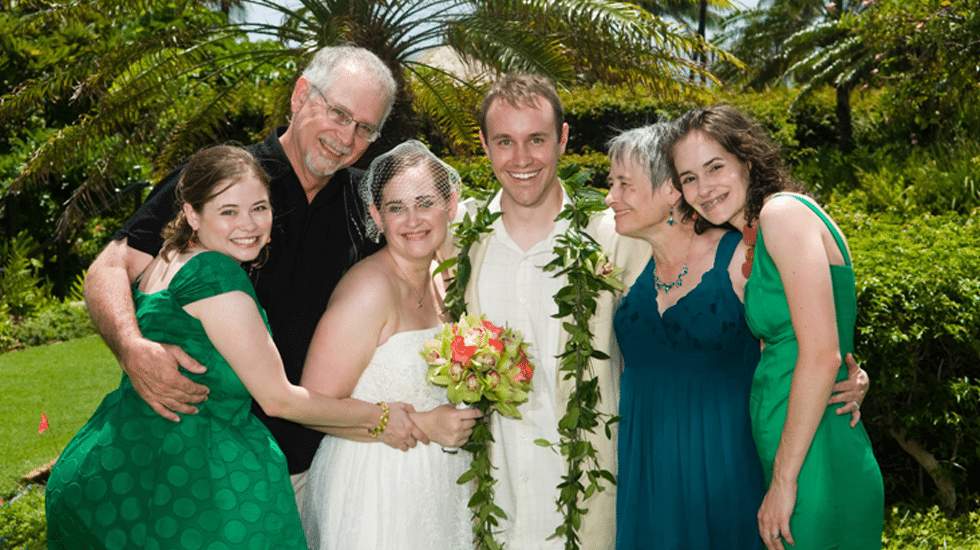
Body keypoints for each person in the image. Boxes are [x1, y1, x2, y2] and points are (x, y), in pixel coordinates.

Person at [81, 46, 424, 505]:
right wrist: (130, 346)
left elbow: (420, 253)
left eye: (365, 128)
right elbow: (112, 263)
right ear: (301, 96)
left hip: (314, 463)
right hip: (200, 463)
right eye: (339, 114)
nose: (346, 138)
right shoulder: (226, 179)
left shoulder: (364, 202)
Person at [46, 145, 419, 549]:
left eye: (259, 208)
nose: (249, 224)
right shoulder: (216, 275)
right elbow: (280, 400)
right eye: (228, 212)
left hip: (117, 469)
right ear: (192, 213)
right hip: (198, 489)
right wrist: (381, 417)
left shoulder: (169, 258)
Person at [606, 124, 869, 549]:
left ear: (746, 161)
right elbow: (790, 337)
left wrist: (847, 372)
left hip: (771, 458)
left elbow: (821, 348)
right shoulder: (753, 242)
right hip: (661, 466)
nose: (703, 188)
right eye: (690, 177)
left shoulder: (774, 220)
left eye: (715, 168)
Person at [457, 73, 649, 549]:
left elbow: (694, 317)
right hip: (490, 490)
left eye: (536, 139)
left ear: (563, 139)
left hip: (587, 488)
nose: (521, 159)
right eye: (505, 141)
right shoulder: (459, 235)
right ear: (484, 144)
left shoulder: (617, 238)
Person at [298, 140, 481, 549]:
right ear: (376, 216)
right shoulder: (368, 290)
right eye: (396, 207)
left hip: (440, 483)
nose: (412, 219)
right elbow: (309, 404)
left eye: (424, 202)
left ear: (450, 205)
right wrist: (421, 424)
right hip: (379, 487)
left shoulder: (443, 277)